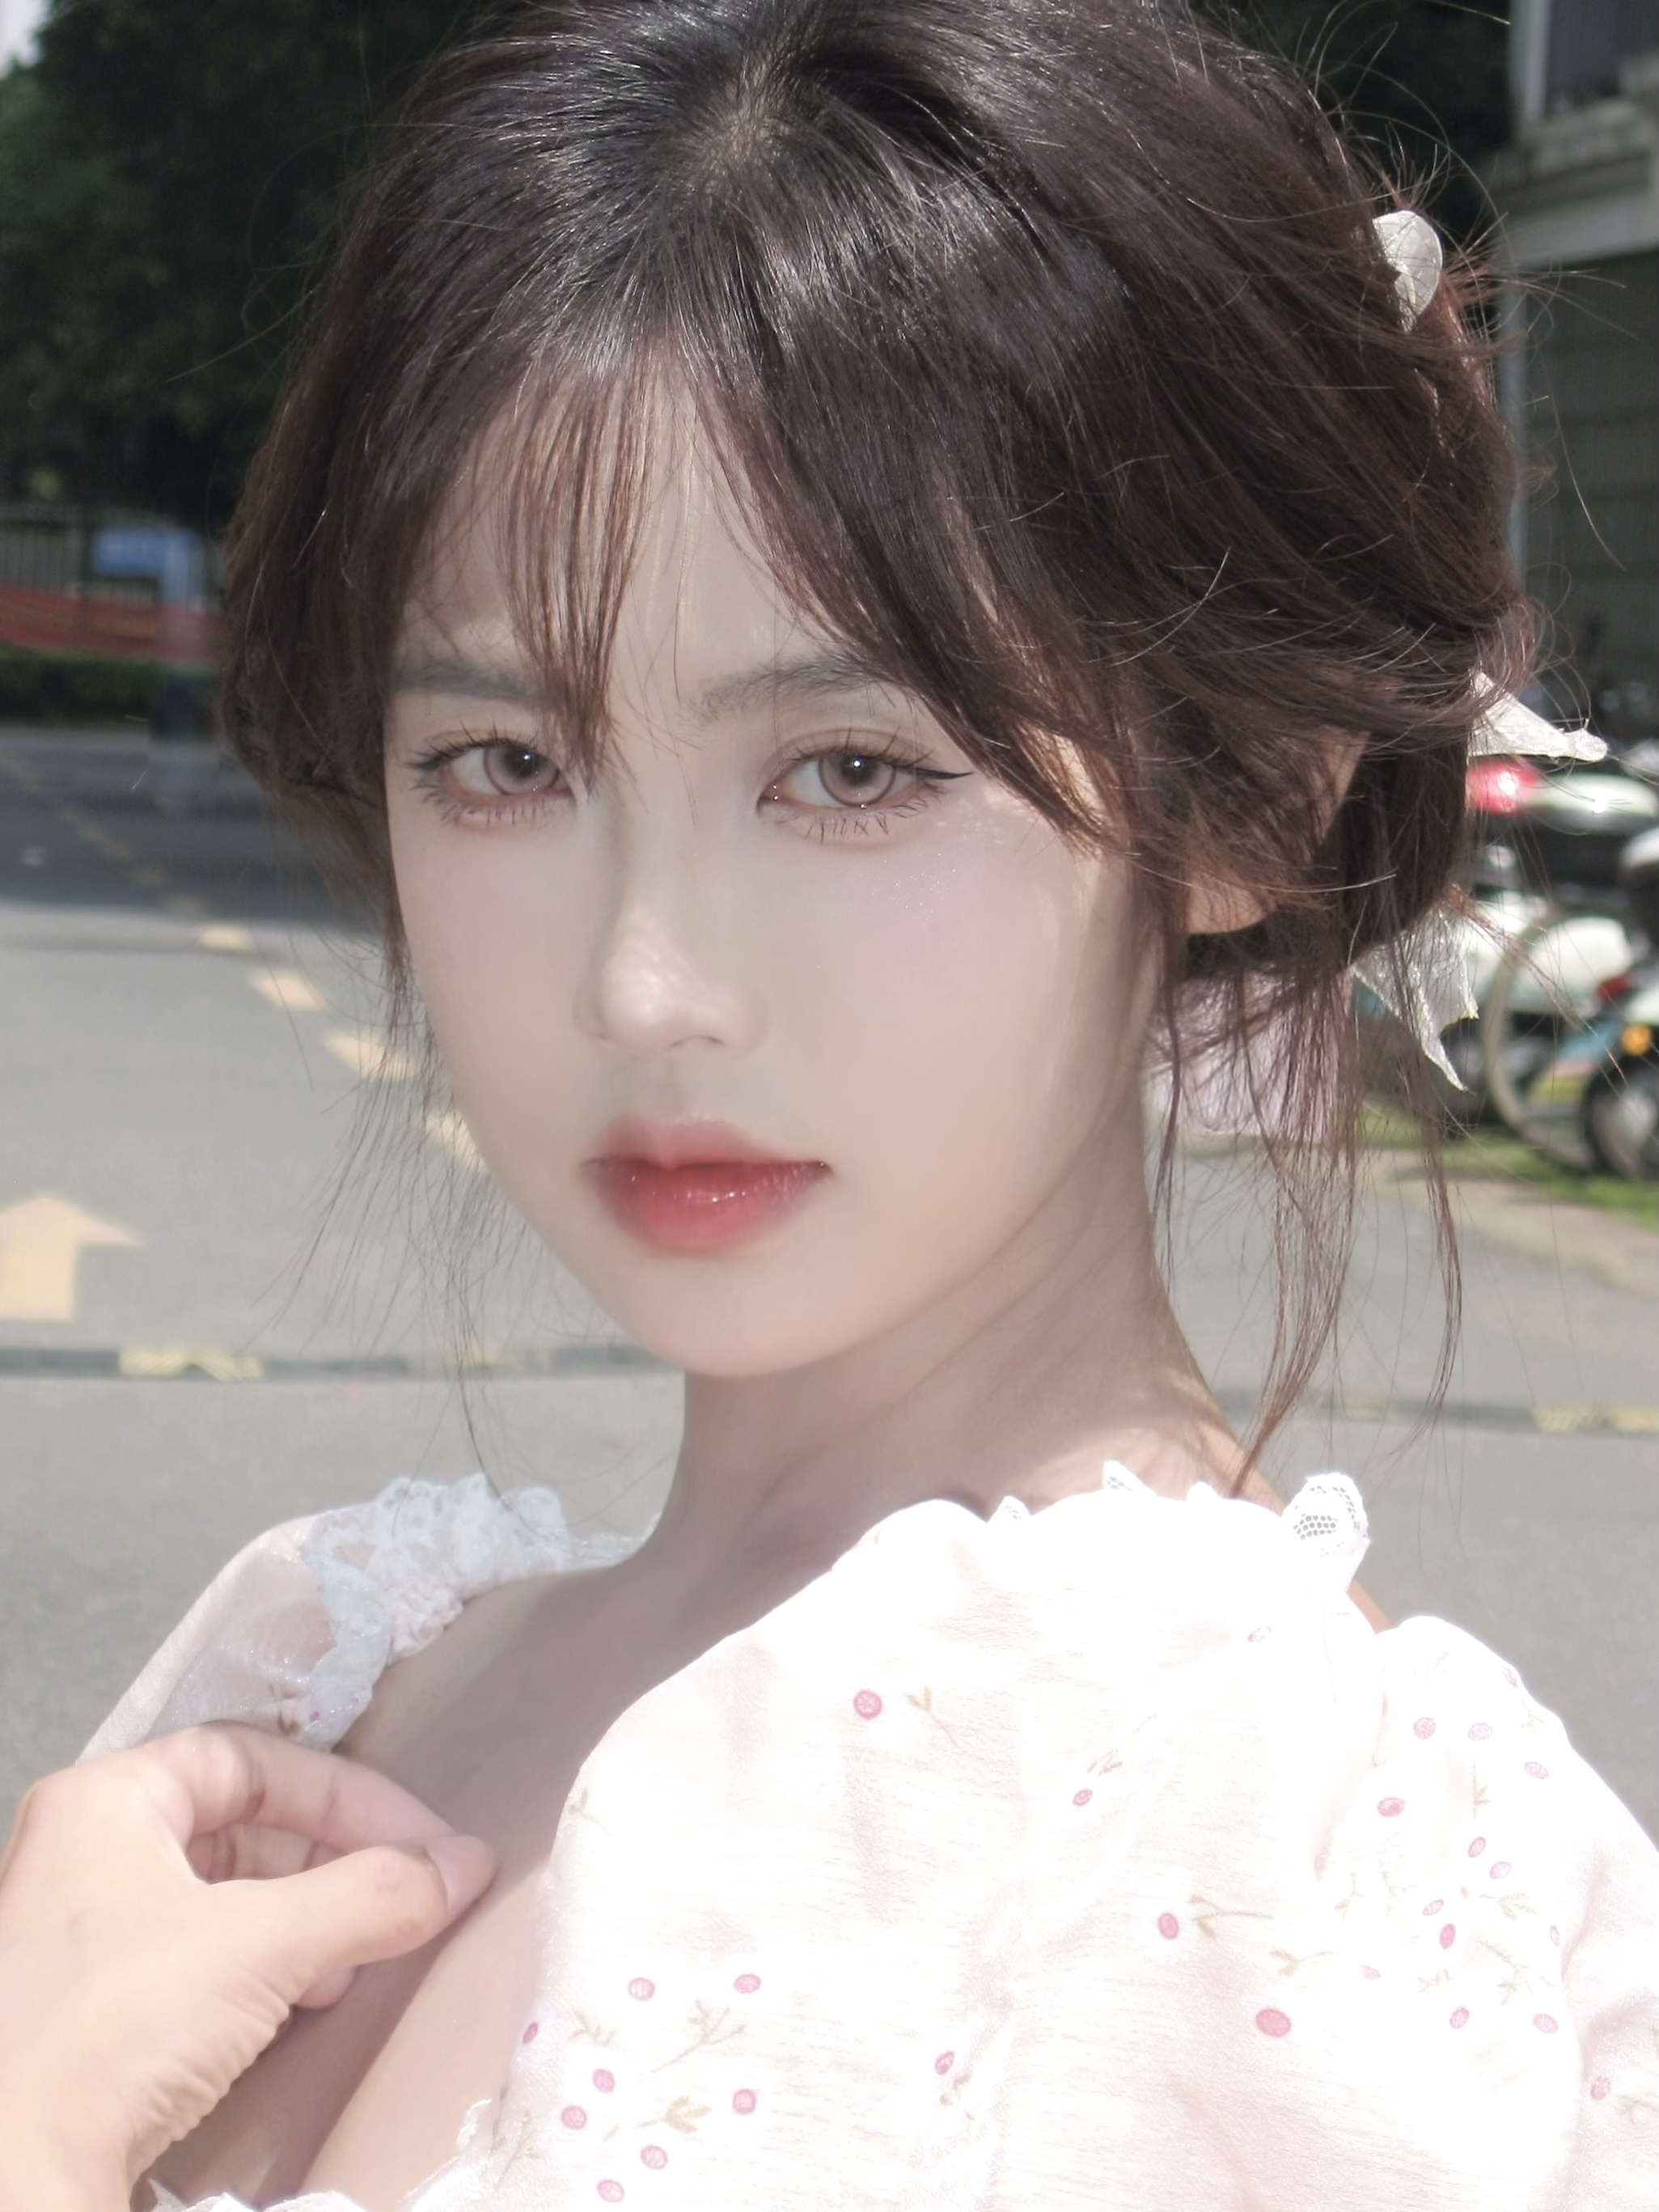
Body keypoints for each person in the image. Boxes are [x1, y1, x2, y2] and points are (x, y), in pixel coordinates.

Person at [2, 1, 1656, 2204]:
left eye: (854, 771)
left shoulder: (1297, 1876)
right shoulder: (323, 1669)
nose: (645, 987)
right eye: (503, 762)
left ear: (1253, 793)